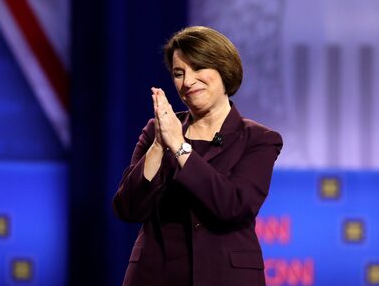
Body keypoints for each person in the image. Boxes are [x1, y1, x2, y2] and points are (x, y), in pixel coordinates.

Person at [113, 26, 283, 286]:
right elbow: (128, 208)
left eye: (198, 68)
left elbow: (232, 208)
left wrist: (180, 147)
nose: (187, 81)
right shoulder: (157, 131)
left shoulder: (259, 139)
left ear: (223, 69)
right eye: (179, 73)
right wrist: (159, 145)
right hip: (155, 276)